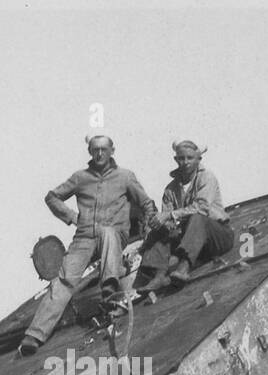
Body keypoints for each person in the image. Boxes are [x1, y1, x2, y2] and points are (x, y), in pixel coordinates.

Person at [19, 135, 156, 355]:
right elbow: (52, 197)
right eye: (95, 150)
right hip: (84, 237)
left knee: (109, 233)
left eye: (104, 149)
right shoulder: (80, 178)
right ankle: (34, 335)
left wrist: (150, 226)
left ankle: (109, 289)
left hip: (114, 233)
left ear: (112, 150)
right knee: (65, 277)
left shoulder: (125, 177)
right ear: (90, 152)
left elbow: (146, 203)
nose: (99, 154)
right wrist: (72, 216)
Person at [136, 140, 235, 292]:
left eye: (190, 158)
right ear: (176, 160)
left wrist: (169, 215)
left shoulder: (207, 178)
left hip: (218, 237)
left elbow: (201, 208)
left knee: (197, 218)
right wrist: (159, 223)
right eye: (181, 158)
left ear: (198, 159)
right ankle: (159, 275)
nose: (186, 162)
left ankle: (183, 268)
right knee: (160, 229)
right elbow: (168, 221)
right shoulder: (170, 189)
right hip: (193, 242)